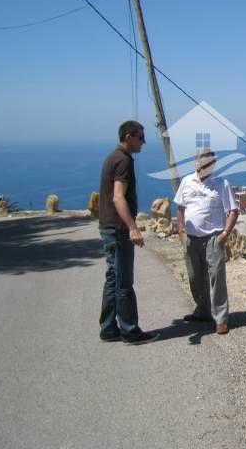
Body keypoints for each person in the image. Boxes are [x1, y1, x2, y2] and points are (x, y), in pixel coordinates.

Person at [98, 120, 159, 345]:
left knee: (113, 278)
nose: (143, 142)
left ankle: (108, 328)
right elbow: (117, 196)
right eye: (141, 137)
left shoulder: (112, 157)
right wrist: (132, 227)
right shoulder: (123, 161)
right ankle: (130, 331)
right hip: (118, 229)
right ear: (129, 136)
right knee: (124, 282)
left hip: (107, 226)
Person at [174, 148, 239, 334]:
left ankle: (221, 319)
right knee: (195, 278)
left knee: (217, 280)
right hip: (191, 239)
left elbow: (233, 211)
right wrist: (181, 233)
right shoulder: (186, 182)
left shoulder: (221, 183)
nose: (207, 166)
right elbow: (180, 209)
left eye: (210, 163)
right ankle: (202, 312)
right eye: (203, 162)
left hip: (213, 238)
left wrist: (225, 234)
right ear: (196, 163)